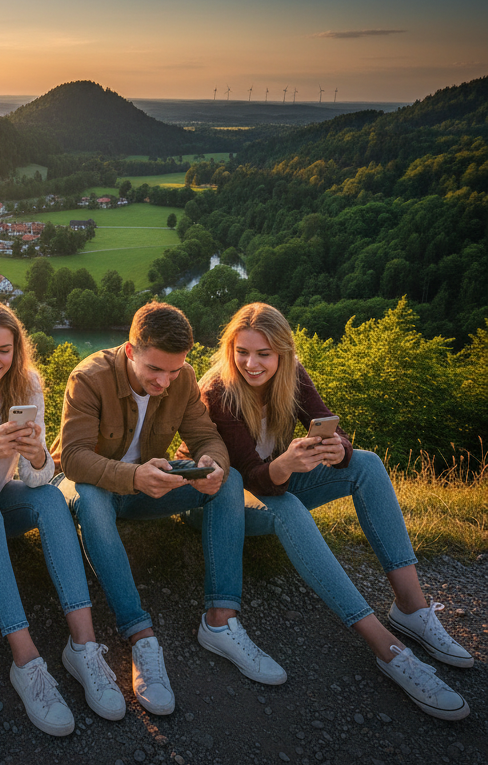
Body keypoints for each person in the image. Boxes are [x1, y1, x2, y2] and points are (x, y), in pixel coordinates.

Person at [193, 301, 471, 720]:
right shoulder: (219, 390)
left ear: (283, 353)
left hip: (274, 483)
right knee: (286, 506)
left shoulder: (293, 377)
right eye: (242, 351)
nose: (251, 363)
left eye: (263, 353)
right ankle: (388, 649)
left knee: (369, 465)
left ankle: (411, 609)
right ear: (230, 348)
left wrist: (337, 448)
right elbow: (249, 475)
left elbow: (328, 423)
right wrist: (285, 466)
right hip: (220, 501)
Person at [55, 301, 285, 717]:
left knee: (229, 480)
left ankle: (221, 619)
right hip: (95, 487)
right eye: (154, 370)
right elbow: (71, 458)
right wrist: (133, 476)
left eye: (174, 371)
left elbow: (205, 435)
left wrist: (214, 463)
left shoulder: (183, 379)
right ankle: (140, 637)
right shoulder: (89, 377)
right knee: (89, 497)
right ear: (130, 351)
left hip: (151, 485)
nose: (165, 381)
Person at [0, 301, 126, 735]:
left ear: (17, 351)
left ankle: (83, 647)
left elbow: (37, 479)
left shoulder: (28, 384)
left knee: (51, 499)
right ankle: (26, 660)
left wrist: (35, 458)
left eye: (4, 350)